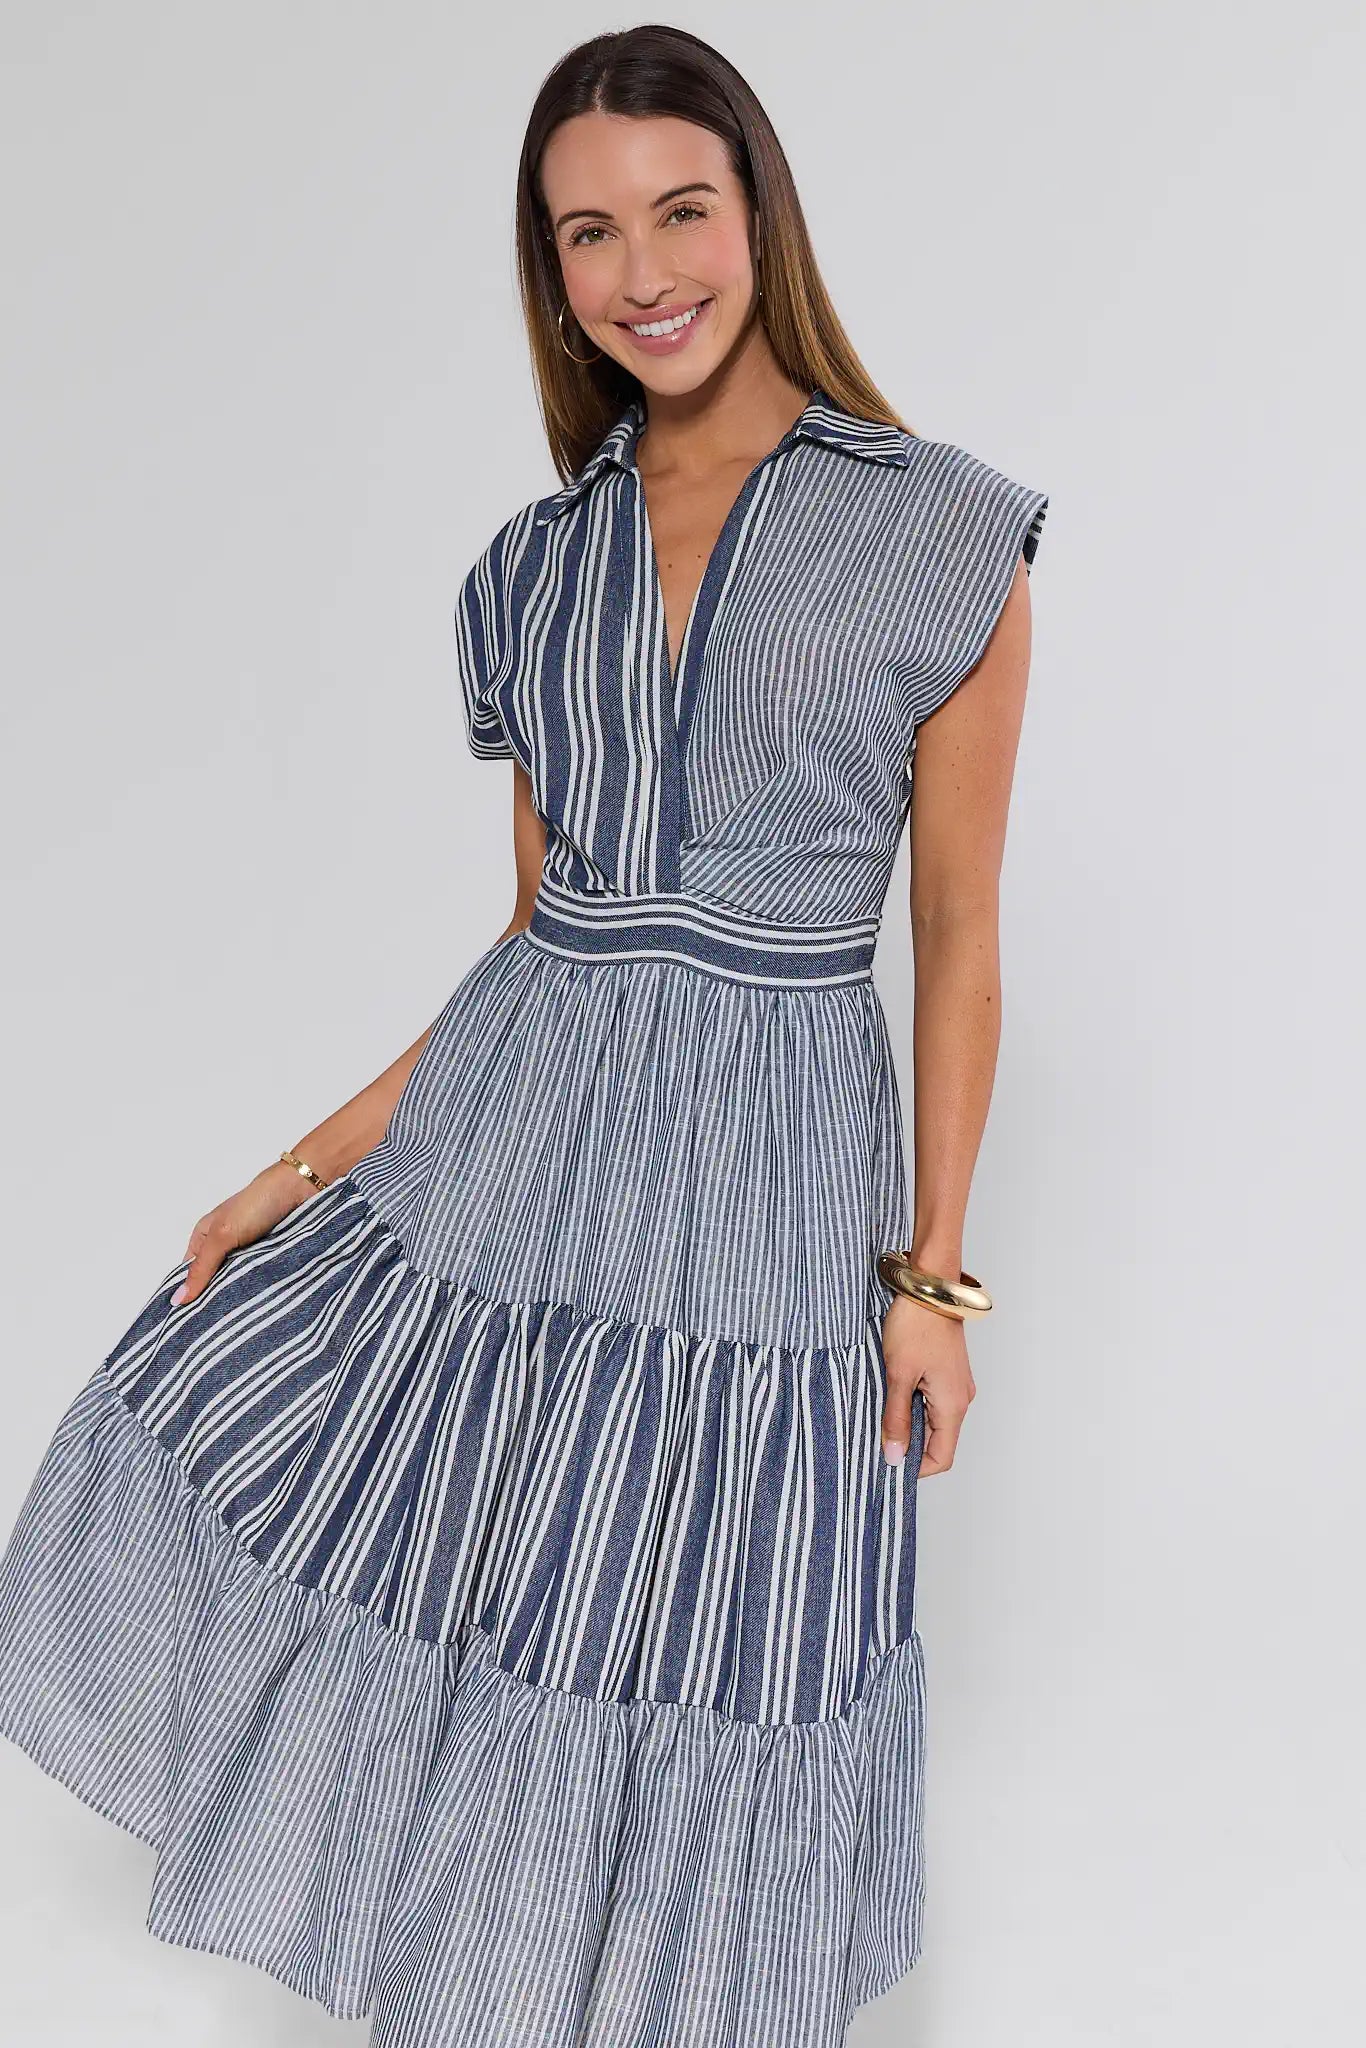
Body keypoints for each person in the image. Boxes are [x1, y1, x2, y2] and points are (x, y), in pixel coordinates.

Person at [0, 23, 1047, 2048]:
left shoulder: (940, 531)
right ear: (545, 266)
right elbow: (531, 942)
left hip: (762, 1203)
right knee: (493, 1603)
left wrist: (929, 1280)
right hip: (521, 1176)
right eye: (587, 232)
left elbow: (956, 932)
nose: (641, 269)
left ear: (757, 215)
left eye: (678, 209)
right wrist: (287, 1173)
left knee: (729, 1633)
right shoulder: (528, 574)